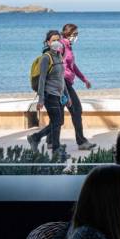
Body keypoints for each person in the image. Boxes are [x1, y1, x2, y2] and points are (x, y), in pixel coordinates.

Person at [27, 30, 71, 159]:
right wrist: (41, 99)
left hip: (59, 95)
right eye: (53, 40)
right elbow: (42, 79)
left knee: (58, 122)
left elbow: (61, 78)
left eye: (58, 39)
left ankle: (35, 137)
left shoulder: (59, 56)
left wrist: (66, 95)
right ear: (48, 42)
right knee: (57, 122)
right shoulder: (46, 57)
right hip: (49, 95)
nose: (56, 42)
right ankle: (56, 150)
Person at [60, 24, 96, 150]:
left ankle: (41, 138)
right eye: (74, 34)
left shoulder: (68, 47)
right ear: (67, 33)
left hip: (67, 82)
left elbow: (73, 66)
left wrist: (84, 79)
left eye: (77, 35)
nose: (76, 37)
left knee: (58, 115)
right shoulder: (61, 46)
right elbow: (57, 66)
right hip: (62, 82)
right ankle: (81, 141)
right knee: (76, 110)